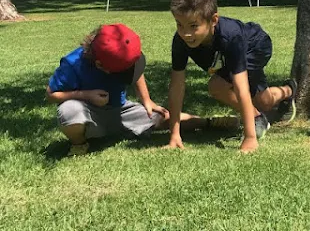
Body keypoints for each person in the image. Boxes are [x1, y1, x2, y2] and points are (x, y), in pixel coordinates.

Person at [46, 23, 232, 156]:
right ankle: (79, 144)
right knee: (68, 110)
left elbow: (136, 72)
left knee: (164, 116)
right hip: (90, 115)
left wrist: (147, 100)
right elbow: (51, 94)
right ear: (100, 64)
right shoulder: (72, 63)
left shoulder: (120, 48)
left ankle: (209, 123)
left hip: (121, 111)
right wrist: (85, 95)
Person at [165, 0, 297, 153]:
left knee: (220, 87)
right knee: (263, 102)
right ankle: (272, 104)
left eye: (193, 26)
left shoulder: (231, 36)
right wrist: (174, 134)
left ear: (213, 20)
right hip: (227, 57)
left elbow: (241, 87)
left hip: (255, 46)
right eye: (179, 25)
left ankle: (278, 100)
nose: (186, 33)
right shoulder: (180, 42)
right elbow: (177, 86)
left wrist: (250, 138)